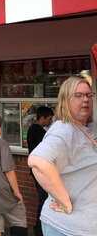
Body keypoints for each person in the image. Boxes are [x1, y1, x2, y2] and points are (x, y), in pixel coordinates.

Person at [28, 76, 97, 236]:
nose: (85, 99)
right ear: (65, 100)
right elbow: (37, 161)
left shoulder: (86, 128)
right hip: (67, 228)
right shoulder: (63, 129)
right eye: (78, 95)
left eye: (89, 95)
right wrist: (64, 201)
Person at [26, 106, 54, 236]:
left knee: (43, 199)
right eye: (49, 118)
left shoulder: (33, 129)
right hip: (40, 170)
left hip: (37, 169)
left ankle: (39, 227)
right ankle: (39, 228)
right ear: (42, 118)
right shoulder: (38, 131)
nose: (50, 121)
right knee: (44, 199)